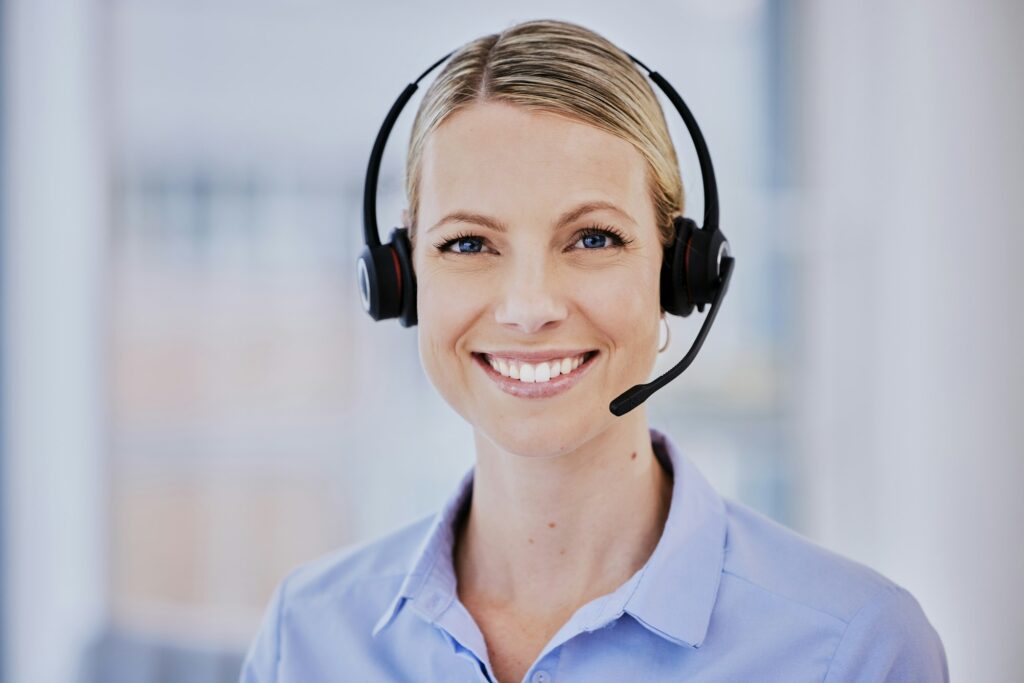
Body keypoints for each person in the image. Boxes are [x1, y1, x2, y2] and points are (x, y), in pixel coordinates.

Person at [239, 18, 948, 683]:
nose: (529, 307)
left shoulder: (852, 649)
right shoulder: (304, 637)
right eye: (467, 243)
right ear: (402, 277)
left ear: (679, 270)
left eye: (593, 238)